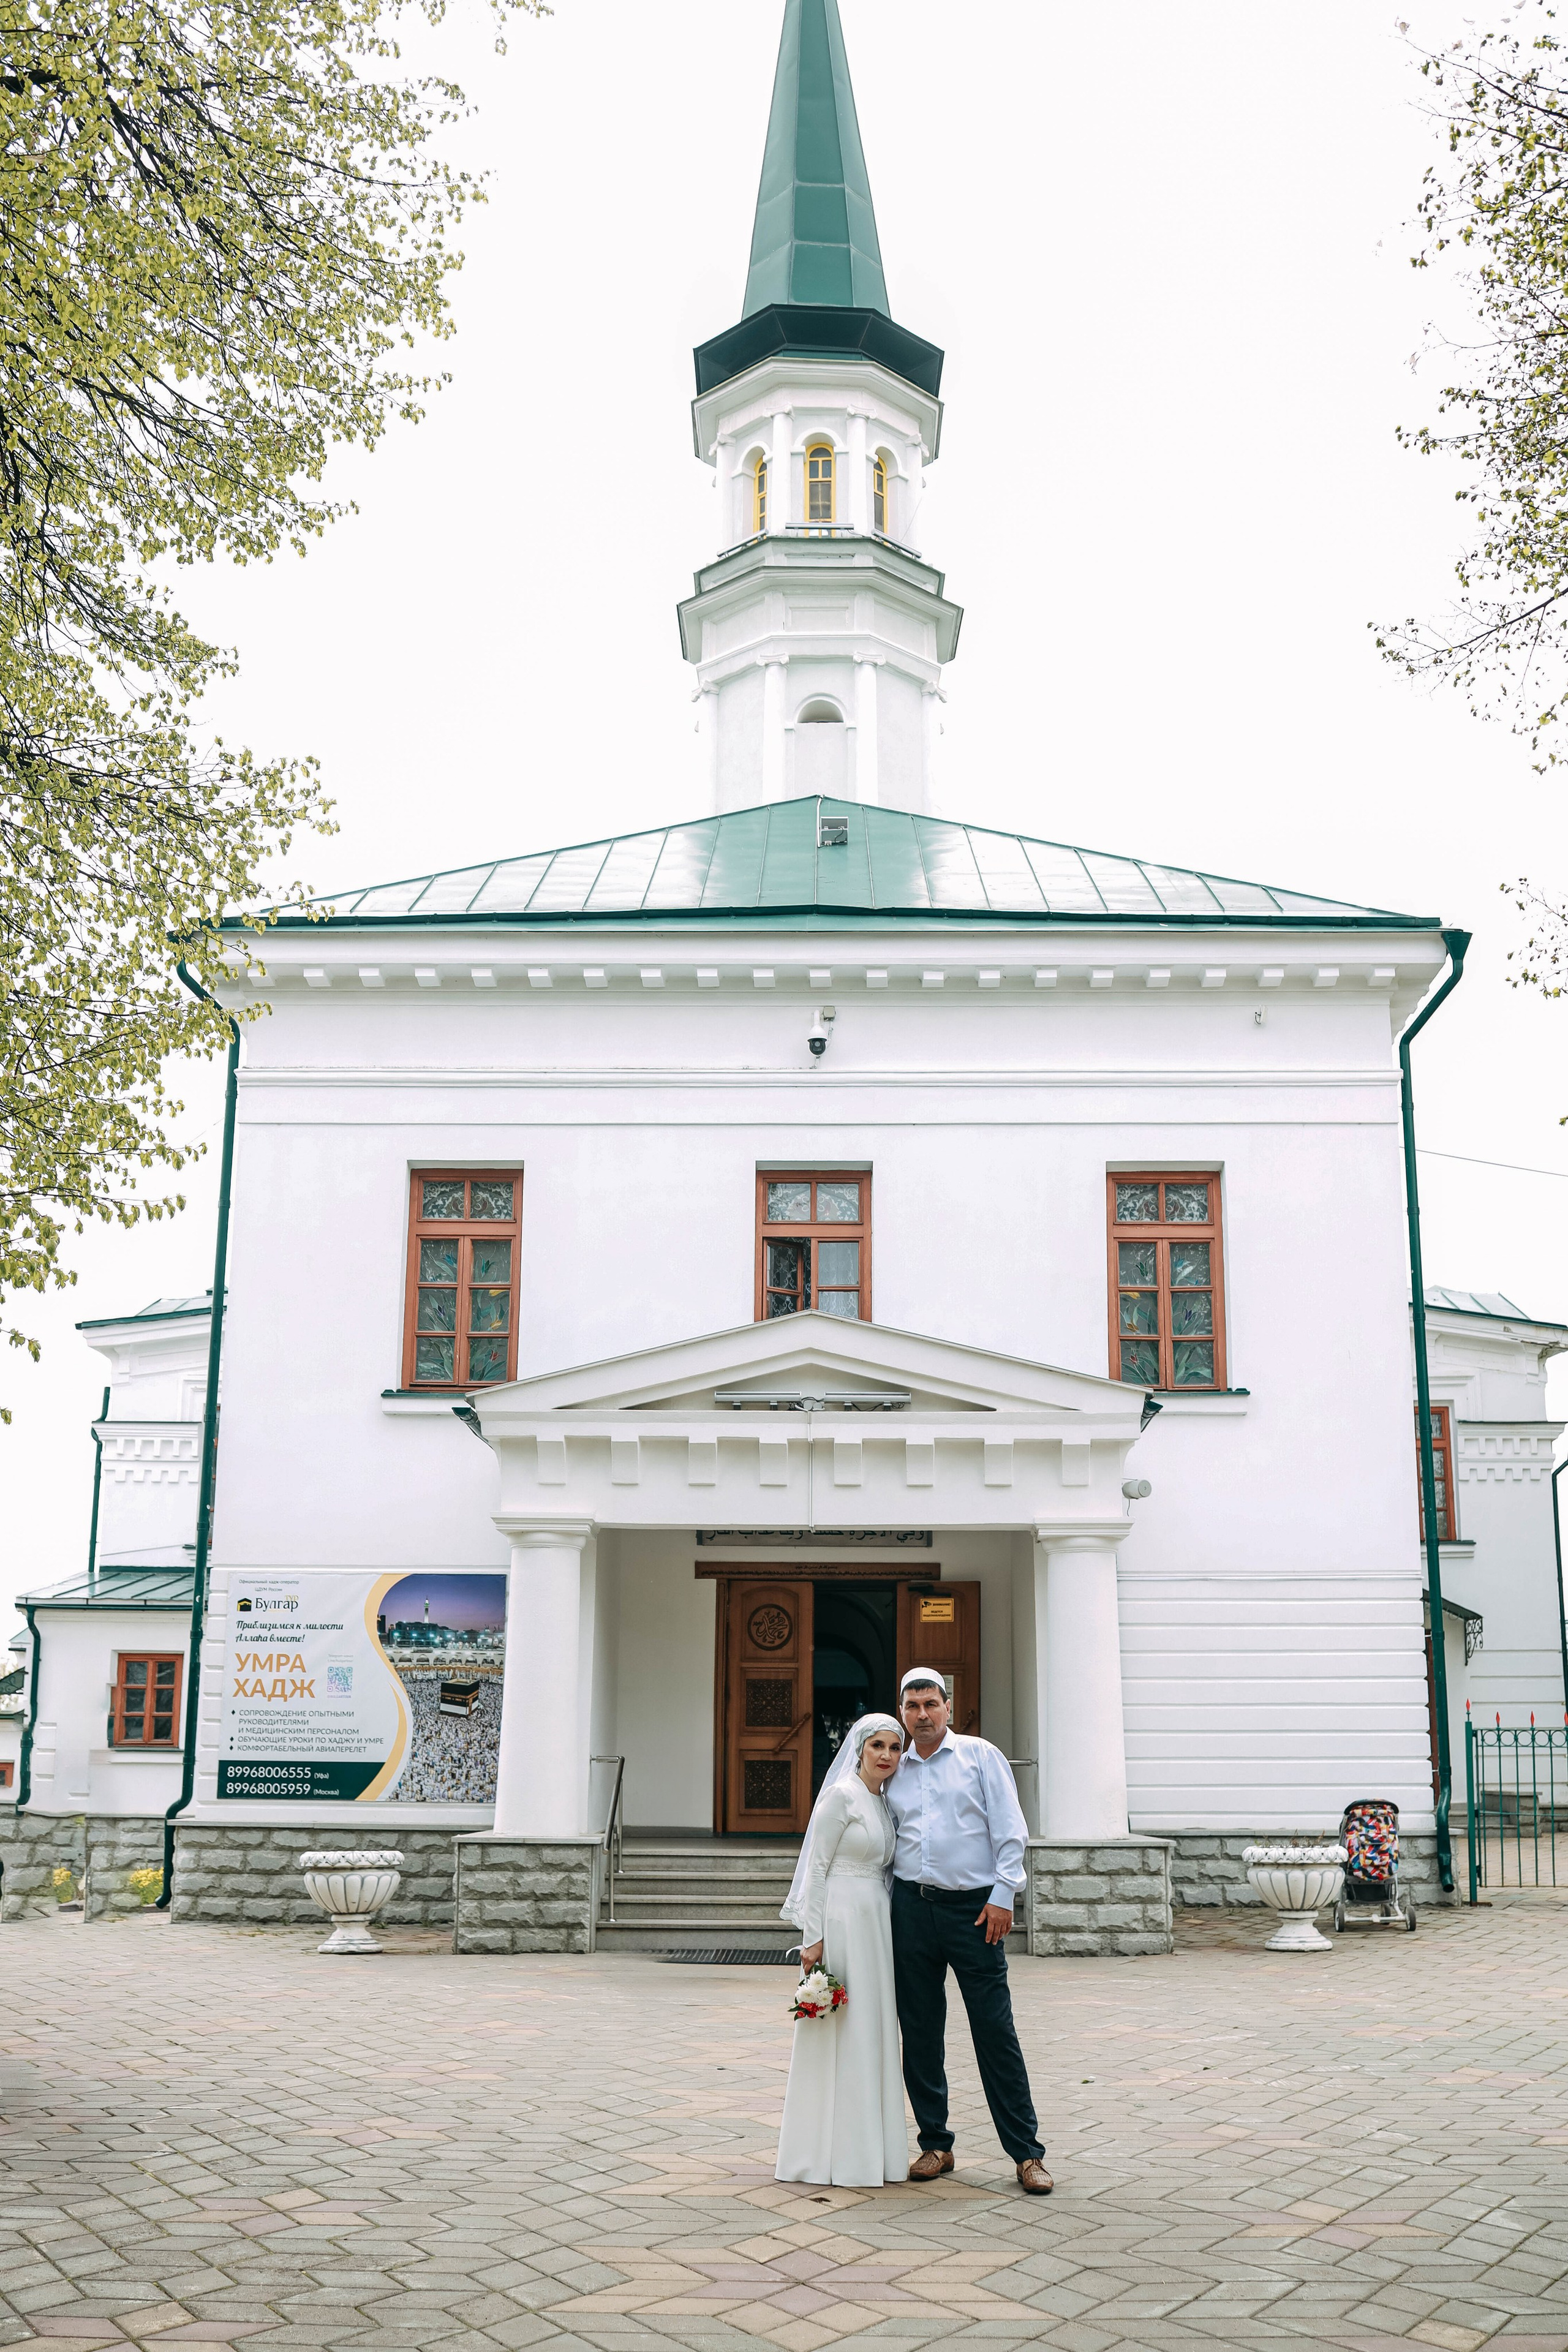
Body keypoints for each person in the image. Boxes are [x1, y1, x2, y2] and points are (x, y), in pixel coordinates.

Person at [884, 1667, 1052, 2195]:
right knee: (919, 2028)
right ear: (902, 1712)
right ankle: (935, 2143)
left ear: (949, 1707)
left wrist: (1003, 1896)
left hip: (975, 1913)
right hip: (911, 1909)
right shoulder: (893, 1767)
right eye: (912, 1706)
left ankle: (1026, 2153)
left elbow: (1011, 1831)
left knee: (994, 2029)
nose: (922, 1715)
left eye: (931, 1704)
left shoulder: (981, 1756)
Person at [775, 1713, 909, 2187]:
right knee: (839, 2028)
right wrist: (813, 1937)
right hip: (841, 1920)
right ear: (860, 1748)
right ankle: (821, 2155)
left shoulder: (883, 1803)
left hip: (875, 1923)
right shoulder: (842, 1796)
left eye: (894, 1748)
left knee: (870, 2027)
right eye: (878, 1746)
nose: (886, 1755)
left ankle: (871, 2152)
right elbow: (816, 1867)